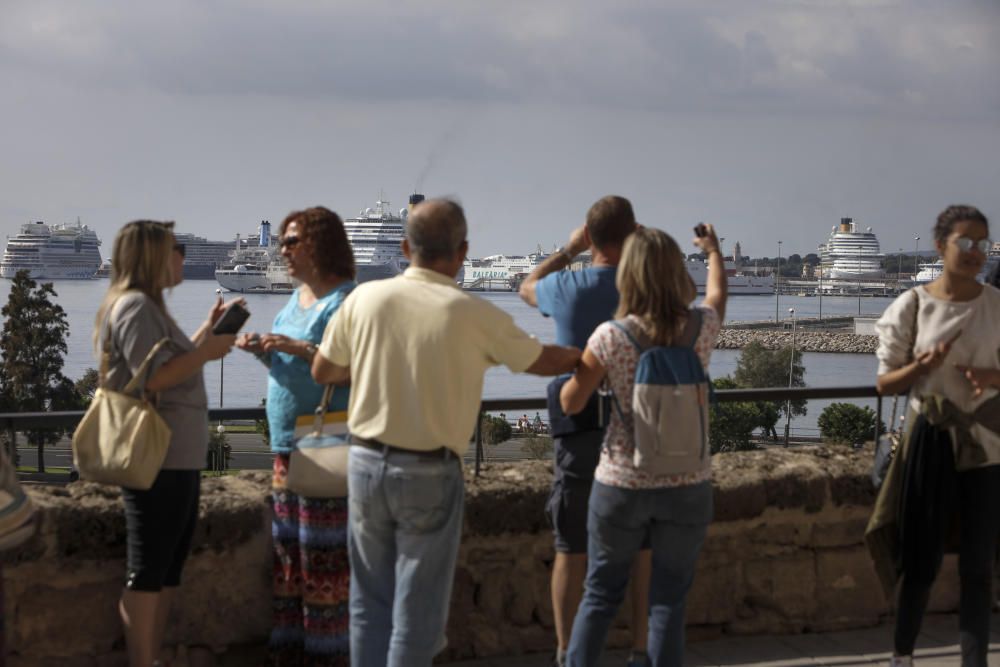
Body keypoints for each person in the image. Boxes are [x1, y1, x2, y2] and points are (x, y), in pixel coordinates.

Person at [311, 198, 581, 667]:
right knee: (418, 611)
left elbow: (324, 370)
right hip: (428, 471)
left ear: (403, 247)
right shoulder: (471, 312)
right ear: (463, 252)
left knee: (368, 602)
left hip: (365, 462)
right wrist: (587, 353)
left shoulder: (364, 298)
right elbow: (540, 361)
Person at [560, 225, 727, 666]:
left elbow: (572, 401)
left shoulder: (610, 336)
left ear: (627, 276)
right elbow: (715, 298)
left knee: (599, 595)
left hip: (623, 481)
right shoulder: (701, 327)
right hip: (688, 483)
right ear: (675, 272)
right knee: (668, 602)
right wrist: (713, 252)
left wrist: (571, 369)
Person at [93, 220, 236, 666]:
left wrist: (200, 338)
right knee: (149, 569)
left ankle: (152, 657)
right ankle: (144, 661)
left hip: (176, 456)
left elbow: (166, 364)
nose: (184, 258)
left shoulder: (148, 308)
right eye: (178, 249)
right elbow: (152, 378)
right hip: (157, 458)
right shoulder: (135, 307)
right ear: (153, 256)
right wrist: (207, 352)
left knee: (166, 568)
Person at [518, 195, 649, 667]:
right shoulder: (646, 288)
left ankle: (566, 652)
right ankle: (641, 650)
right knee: (641, 547)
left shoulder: (567, 285)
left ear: (590, 236)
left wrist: (568, 249)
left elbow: (526, 287)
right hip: (638, 427)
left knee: (570, 546)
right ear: (631, 233)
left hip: (579, 425)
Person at [874, 205, 1000, 667]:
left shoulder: (996, 306)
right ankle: (902, 655)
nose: (975, 252)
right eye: (965, 242)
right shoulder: (912, 306)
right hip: (929, 442)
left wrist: (990, 374)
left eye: (982, 244)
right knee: (920, 561)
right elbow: (885, 384)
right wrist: (922, 367)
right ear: (940, 245)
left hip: (985, 446)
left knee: (979, 568)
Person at [237, 207, 356, 666]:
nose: (282, 250)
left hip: (326, 447)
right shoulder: (296, 299)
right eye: (283, 241)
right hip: (288, 447)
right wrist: (265, 353)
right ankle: (290, 654)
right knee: (289, 565)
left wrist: (296, 347)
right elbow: (295, 369)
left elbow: (352, 371)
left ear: (319, 246)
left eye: (291, 242)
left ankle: (327, 656)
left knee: (325, 565)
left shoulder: (345, 303)